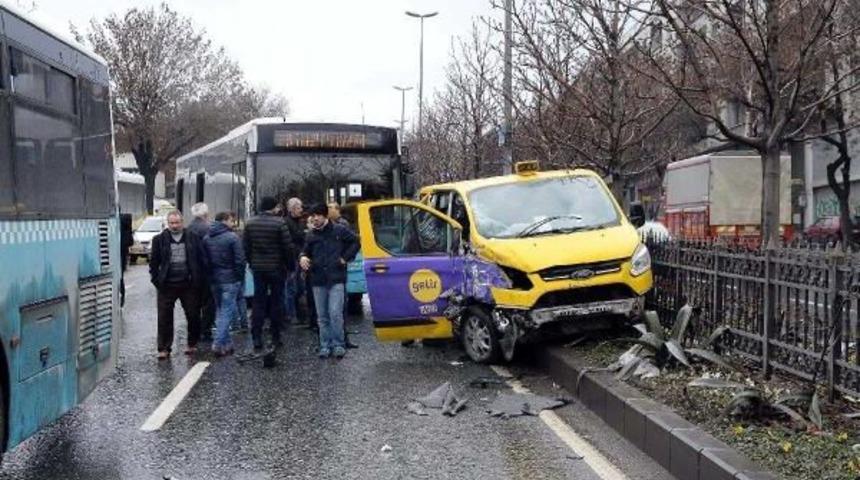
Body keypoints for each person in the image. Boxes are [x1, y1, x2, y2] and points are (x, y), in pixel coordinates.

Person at [300, 204, 359, 359]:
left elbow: (356, 242)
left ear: (325, 216)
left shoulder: (339, 230)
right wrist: (303, 258)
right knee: (322, 316)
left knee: (335, 313)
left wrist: (345, 258)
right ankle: (325, 345)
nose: (314, 219)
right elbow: (305, 251)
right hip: (317, 279)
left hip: (336, 278)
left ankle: (338, 344)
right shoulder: (311, 235)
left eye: (317, 215)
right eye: (312, 216)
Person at [149, 210, 207, 359]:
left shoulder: (193, 237)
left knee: (193, 315)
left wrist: (199, 279)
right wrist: (156, 280)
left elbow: (202, 259)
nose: (174, 226)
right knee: (164, 318)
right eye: (171, 223)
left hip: (189, 284)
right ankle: (164, 348)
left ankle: (192, 343)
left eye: (177, 222)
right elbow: (154, 262)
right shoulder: (159, 239)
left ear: (182, 222)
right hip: (167, 285)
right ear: (167, 223)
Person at [244, 197, 295, 350]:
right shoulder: (280, 223)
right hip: (277, 268)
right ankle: (275, 336)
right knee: (276, 302)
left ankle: (257, 337)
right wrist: (290, 267)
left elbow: (246, 247)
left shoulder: (250, 223)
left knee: (258, 302)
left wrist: (252, 263)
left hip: (258, 269)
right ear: (273, 207)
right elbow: (288, 248)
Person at [203, 212, 245, 357]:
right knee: (226, 312)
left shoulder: (207, 238)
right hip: (230, 279)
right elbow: (240, 260)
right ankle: (218, 343)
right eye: (232, 221)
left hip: (214, 280)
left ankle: (227, 345)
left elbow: (204, 260)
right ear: (225, 221)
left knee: (221, 310)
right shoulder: (233, 237)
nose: (233, 224)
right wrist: (239, 277)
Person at [189, 202, 215, 342]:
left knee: (194, 303)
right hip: (205, 271)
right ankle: (206, 331)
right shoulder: (208, 228)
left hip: (192, 271)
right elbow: (210, 250)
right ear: (206, 214)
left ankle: (195, 330)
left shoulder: (188, 228)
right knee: (208, 303)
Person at [283, 197, 309, 326]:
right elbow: (290, 242)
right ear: (292, 209)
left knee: (300, 287)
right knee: (291, 288)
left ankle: (299, 314)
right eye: (299, 208)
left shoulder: (300, 221)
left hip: (300, 257)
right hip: (292, 259)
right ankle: (291, 315)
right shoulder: (286, 222)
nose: (301, 210)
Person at [119, 213, 133, 307]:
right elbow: (130, 242)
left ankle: (121, 299)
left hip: (119, 255)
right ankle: (121, 299)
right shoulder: (125, 222)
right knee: (120, 278)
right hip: (122, 255)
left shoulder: (120, 222)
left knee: (119, 278)